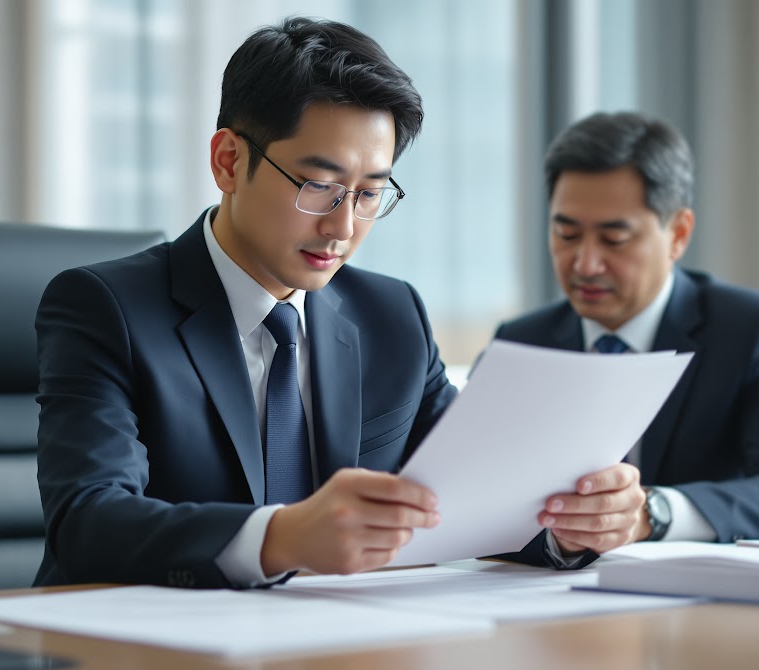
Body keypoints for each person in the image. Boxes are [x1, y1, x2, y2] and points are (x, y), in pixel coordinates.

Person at [33, 18, 639, 589]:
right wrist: (281, 539)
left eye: (370, 193)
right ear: (229, 161)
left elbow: (470, 497)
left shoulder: (391, 315)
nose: (343, 227)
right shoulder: (106, 308)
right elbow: (87, 519)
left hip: (338, 638)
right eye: (318, 186)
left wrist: (567, 525)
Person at [495, 111, 759, 557]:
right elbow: (480, 504)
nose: (585, 263)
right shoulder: (522, 343)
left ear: (678, 234)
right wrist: (561, 539)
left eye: (614, 240)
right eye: (566, 234)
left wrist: (653, 513)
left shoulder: (751, 330)